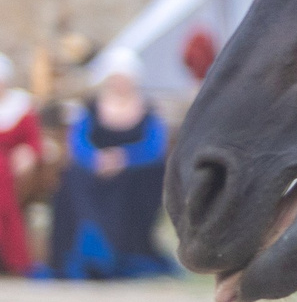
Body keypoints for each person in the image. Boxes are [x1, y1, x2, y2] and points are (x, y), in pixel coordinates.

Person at [46, 47, 178, 280]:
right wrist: (96, 159)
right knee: (73, 178)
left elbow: (154, 147)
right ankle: (87, 252)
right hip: (93, 174)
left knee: (138, 183)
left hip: (134, 176)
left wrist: (124, 158)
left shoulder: (147, 110)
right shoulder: (91, 108)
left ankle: (123, 254)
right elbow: (78, 141)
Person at [0, 53, 41, 277]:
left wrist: (27, 153)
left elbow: (34, 142)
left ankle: (14, 258)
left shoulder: (21, 108)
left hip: (10, 169)